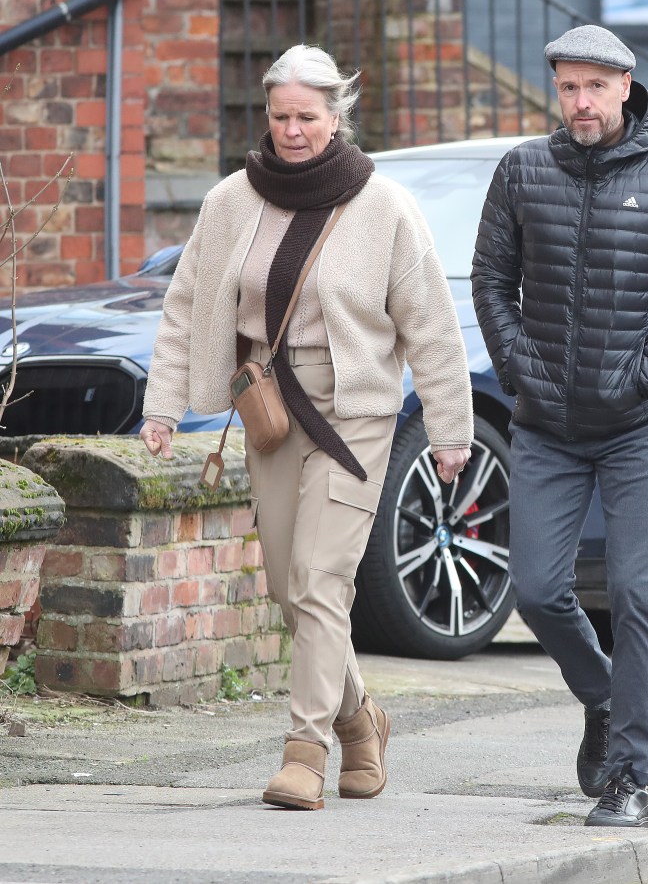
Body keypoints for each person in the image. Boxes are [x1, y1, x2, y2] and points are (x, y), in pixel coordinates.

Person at [140, 44, 474, 811]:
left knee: (323, 581)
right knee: (294, 592)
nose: (292, 131)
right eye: (280, 116)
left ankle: (305, 750)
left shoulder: (383, 205)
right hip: (269, 407)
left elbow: (430, 323)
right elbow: (187, 304)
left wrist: (451, 427)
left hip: (353, 409)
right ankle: (364, 722)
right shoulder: (232, 199)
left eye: (308, 117)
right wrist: (163, 407)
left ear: (337, 115)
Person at [471, 25, 648, 828]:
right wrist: (522, 369)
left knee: (633, 593)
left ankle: (629, 778)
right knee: (538, 588)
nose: (580, 102)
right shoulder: (522, 170)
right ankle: (601, 696)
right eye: (567, 87)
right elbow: (491, 279)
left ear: (626, 85)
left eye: (594, 86)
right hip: (547, 423)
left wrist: (639, 375)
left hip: (637, 427)